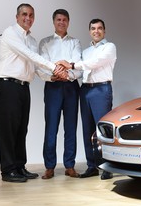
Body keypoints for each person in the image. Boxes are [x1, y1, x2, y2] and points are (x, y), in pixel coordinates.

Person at [0, 3, 66, 183]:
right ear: (17, 17)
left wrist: (52, 77)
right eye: (24, 14)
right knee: (8, 130)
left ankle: (19, 166)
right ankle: (8, 170)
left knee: (21, 129)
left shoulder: (32, 40)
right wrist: (55, 66)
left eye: (31, 15)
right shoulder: (10, 33)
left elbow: (35, 68)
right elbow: (29, 55)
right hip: (7, 86)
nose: (28, 18)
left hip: (23, 88)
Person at [57, 18, 116, 180]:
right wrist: (63, 73)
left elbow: (94, 63)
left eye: (99, 28)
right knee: (87, 130)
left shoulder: (109, 47)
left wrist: (72, 65)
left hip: (101, 89)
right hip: (86, 90)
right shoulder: (86, 51)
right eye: (93, 28)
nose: (96, 31)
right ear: (89, 31)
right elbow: (79, 71)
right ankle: (92, 166)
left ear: (104, 31)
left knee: (102, 131)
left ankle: (107, 166)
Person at [36, 9, 82, 179]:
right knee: (51, 128)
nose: (61, 22)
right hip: (53, 87)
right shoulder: (45, 42)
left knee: (70, 128)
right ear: (53, 22)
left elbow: (77, 66)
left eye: (64, 20)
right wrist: (55, 74)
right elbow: (42, 66)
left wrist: (66, 73)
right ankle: (49, 166)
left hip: (71, 87)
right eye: (58, 19)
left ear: (68, 22)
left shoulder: (75, 42)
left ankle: (70, 165)